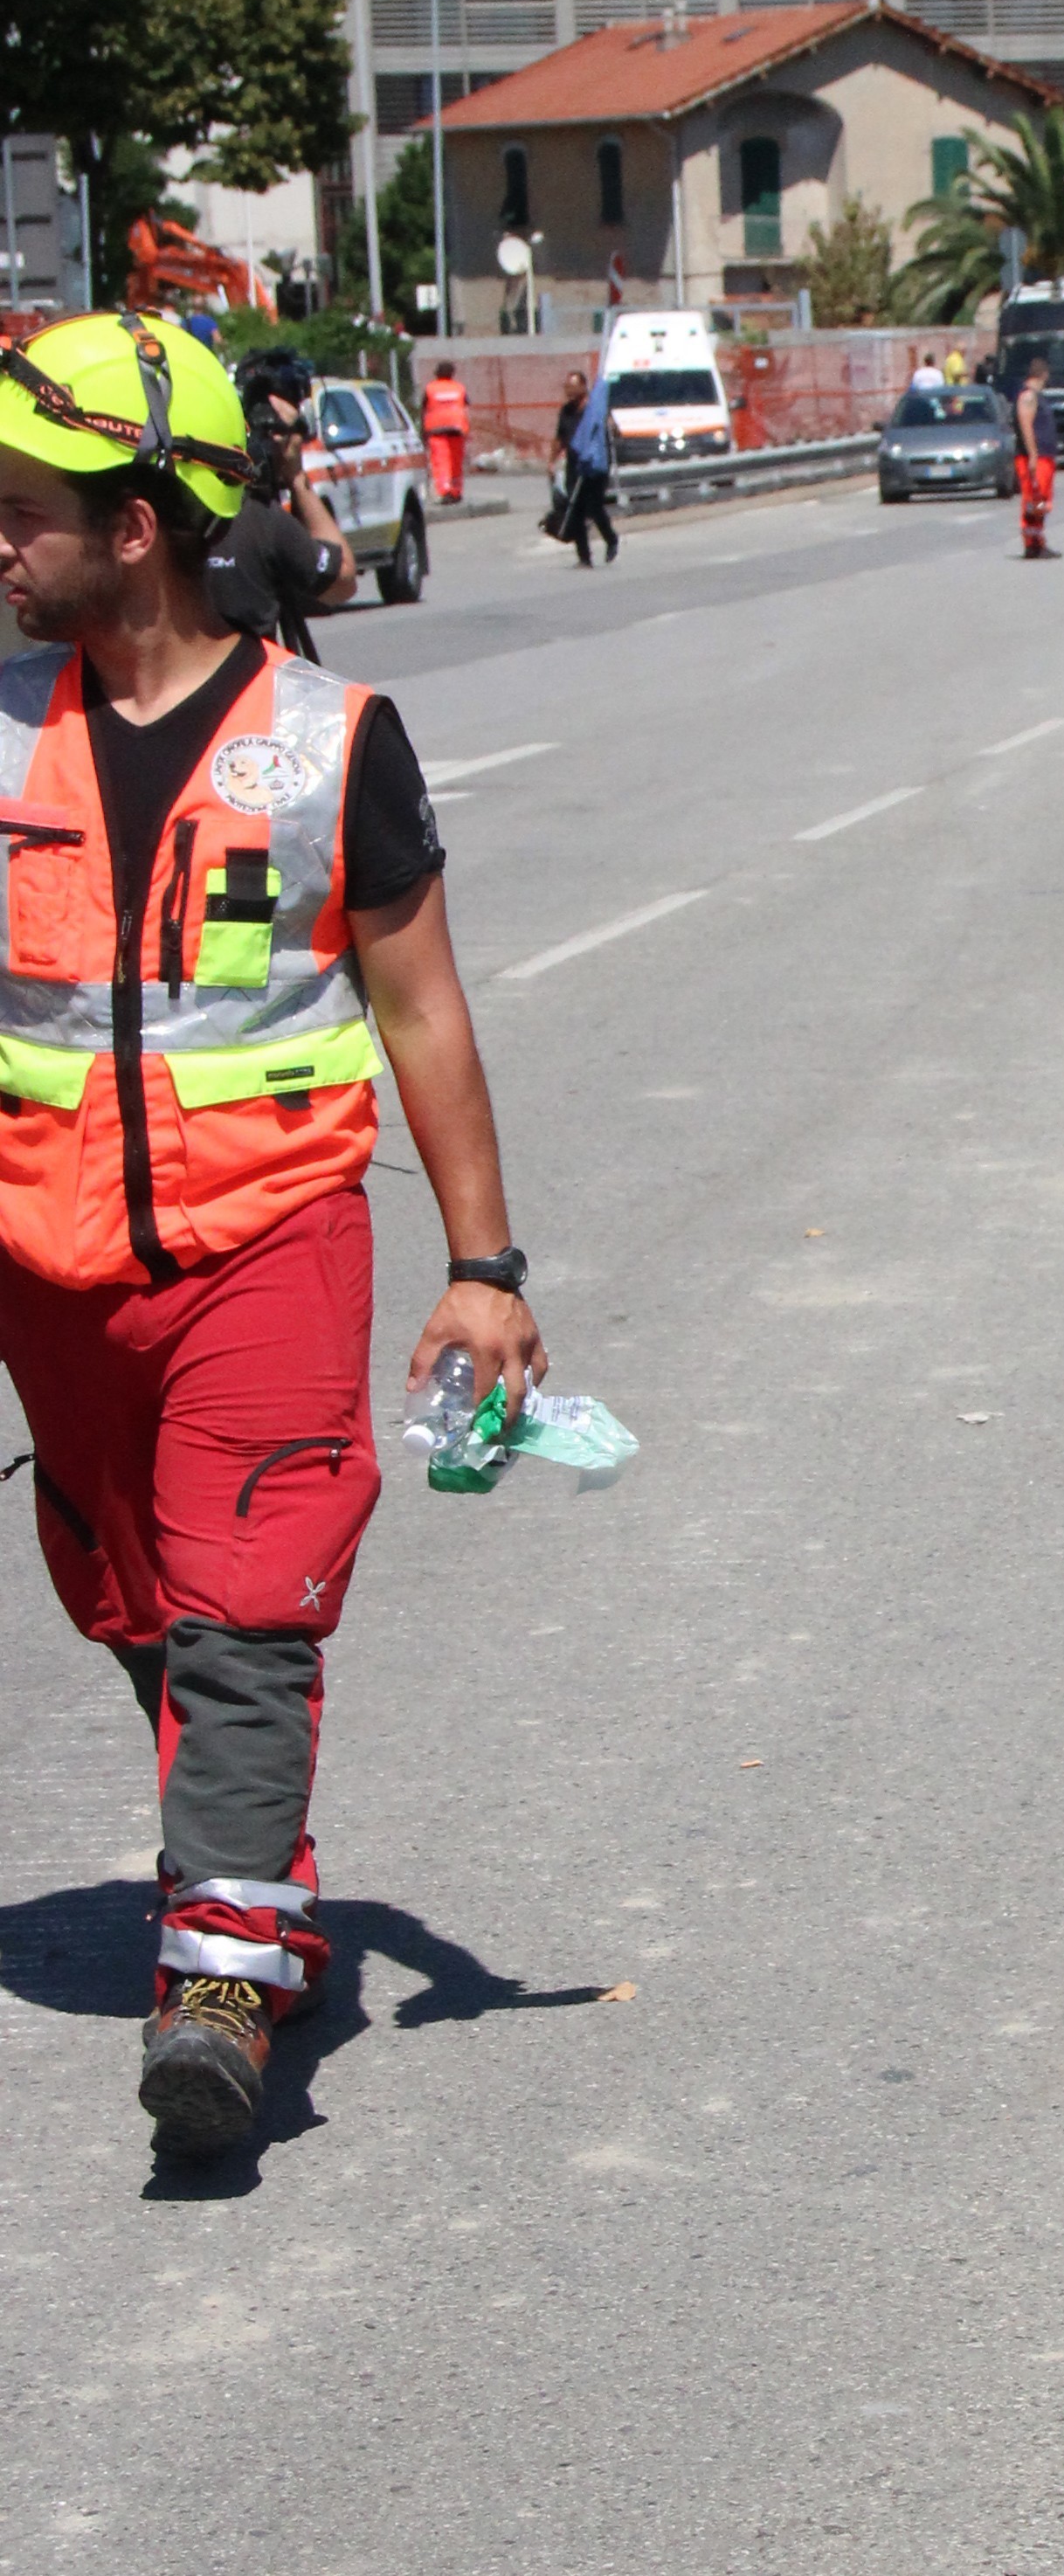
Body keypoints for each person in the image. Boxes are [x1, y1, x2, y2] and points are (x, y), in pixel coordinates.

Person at [0, 314, 545, 2156]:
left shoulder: (330, 743)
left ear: (136, 522)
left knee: (246, 1607)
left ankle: (218, 1991)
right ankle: (262, 1878)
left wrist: (484, 1266)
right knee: (131, 1600)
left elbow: (422, 1010)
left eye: (22, 507)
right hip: (47, 1276)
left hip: (267, 1247)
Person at [208, 368, 356, 659]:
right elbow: (342, 580)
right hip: (249, 688)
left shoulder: (156, 522)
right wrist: (297, 478)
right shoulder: (259, 519)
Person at [550, 369, 618, 568]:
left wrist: (609, 426)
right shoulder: (566, 411)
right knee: (576, 509)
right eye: (566, 388)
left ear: (583, 387)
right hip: (575, 464)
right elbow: (559, 438)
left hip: (595, 465)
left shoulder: (595, 409)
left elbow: (614, 430)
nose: (568, 391)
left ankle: (611, 539)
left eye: (572, 387)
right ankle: (584, 557)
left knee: (594, 507)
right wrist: (551, 461)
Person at [1011, 355, 1061, 560]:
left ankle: (1038, 540)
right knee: (1033, 500)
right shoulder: (1028, 396)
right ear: (1044, 374)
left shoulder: (1036, 396)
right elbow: (1025, 424)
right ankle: (1032, 544)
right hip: (1036, 459)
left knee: (1041, 502)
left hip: (1044, 459)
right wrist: (1033, 454)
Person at [420, 359, 471, 508]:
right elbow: (466, 408)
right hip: (457, 429)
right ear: (452, 374)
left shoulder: (431, 388)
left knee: (441, 462)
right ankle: (456, 491)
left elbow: (423, 410)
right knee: (456, 462)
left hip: (437, 430)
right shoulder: (459, 388)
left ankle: (445, 490)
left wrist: (423, 432)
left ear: (437, 374)